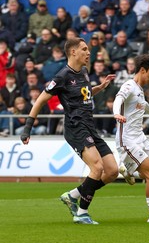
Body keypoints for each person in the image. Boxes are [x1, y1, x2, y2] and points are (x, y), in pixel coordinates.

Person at [20, 37, 119, 225]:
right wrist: (27, 128)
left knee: (112, 171)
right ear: (73, 52)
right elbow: (40, 101)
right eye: (84, 49)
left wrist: (100, 87)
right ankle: (81, 213)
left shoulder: (83, 71)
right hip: (76, 128)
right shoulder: (62, 76)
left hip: (90, 126)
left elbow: (85, 94)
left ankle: (72, 195)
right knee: (97, 168)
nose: (88, 52)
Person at [113, 54, 149, 223]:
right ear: (143, 70)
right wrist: (116, 113)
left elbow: (143, 106)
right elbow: (119, 99)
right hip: (127, 140)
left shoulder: (139, 89)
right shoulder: (129, 86)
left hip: (140, 137)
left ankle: (128, 169)